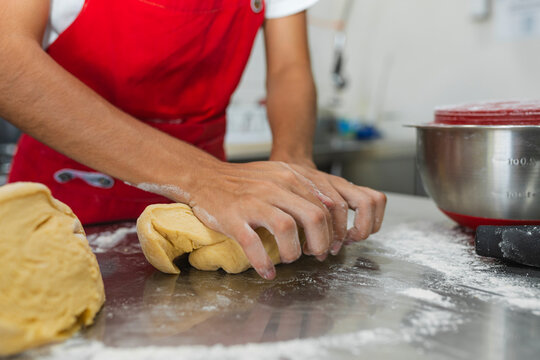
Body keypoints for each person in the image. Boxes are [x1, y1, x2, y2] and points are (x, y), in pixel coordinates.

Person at [0, 0, 386, 280]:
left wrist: (295, 163)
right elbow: (7, 61)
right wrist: (203, 179)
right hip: (67, 195)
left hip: (213, 211)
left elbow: (289, 69)